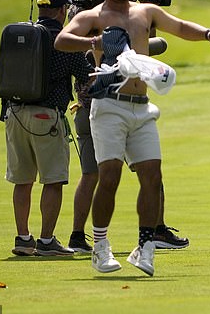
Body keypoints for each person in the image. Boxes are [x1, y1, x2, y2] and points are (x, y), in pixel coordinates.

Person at [55, 0, 210, 276]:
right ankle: (100, 246)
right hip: (108, 106)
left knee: (153, 176)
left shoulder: (145, 12)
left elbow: (178, 27)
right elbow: (61, 39)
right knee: (109, 176)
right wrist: (95, 40)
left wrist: (209, 34)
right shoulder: (93, 15)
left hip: (142, 108)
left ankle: (145, 246)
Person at [67, 26, 189, 253]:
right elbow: (146, 56)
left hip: (85, 108)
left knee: (91, 175)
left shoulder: (85, 32)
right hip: (113, 109)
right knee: (149, 171)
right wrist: (145, 30)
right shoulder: (113, 31)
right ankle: (157, 230)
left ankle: (77, 236)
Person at [4, 0, 93, 257]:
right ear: (62, 10)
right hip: (47, 115)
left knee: (23, 180)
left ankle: (23, 238)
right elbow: (87, 75)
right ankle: (45, 241)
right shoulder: (65, 40)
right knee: (53, 180)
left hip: (15, 113)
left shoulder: (21, 34)